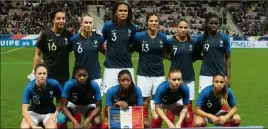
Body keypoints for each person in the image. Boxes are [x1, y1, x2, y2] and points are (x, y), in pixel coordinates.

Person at [164, 19, 202, 125]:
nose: (183, 29)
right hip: (174, 79)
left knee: (188, 106)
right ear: (177, 28)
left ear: (188, 29)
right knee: (171, 105)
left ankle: (187, 126)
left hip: (189, 78)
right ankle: (171, 126)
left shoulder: (193, 42)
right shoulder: (170, 41)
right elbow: (164, 54)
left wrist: (189, 60)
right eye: (181, 27)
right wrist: (174, 59)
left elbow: (197, 55)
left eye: (185, 27)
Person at [133, 12, 169, 126]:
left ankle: (156, 124)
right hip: (143, 73)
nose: (154, 23)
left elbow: (165, 54)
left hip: (159, 74)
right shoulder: (139, 37)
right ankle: (144, 123)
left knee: (158, 100)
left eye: (156, 21)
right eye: (151, 21)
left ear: (159, 23)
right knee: (145, 101)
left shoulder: (163, 37)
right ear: (147, 22)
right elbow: (134, 48)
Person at [31, 8, 73, 87]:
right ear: (53, 20)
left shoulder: (69, 35)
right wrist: (34, 71)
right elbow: (37, 54)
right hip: (47, 75)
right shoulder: (45, 34)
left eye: (63, 18)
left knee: (62, 99)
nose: (61, 21)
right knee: (46, 99)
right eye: (58, 18)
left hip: (63, 77)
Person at [101, 1, 136, 94]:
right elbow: (99, 42)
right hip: (111, 67)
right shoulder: (107, 26)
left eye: (125, 11)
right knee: (110, 95)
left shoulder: (132, 28)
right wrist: (105, 52)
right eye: (120, 10)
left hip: (127, 66)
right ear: (115, 12)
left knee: (129, 94)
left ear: (128, 13)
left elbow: (134, 45)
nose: (123, 13)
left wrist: (127, 52)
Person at [58, 64, 102, 129]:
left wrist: (88, 120)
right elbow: (63, 106)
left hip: (88, 106)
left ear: (88, 75)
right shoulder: (69, 84)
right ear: (75, 76)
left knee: (97, 121)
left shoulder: (94, 85)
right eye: (79, 75)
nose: (82, 78)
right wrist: (75, 122)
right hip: (73, 105)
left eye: (84, 75)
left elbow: (99, 107)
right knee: (61, 119)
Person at [70, 13, 105, 93]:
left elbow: (106, 52)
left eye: (90, 23)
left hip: (95, 75)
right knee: (77, 101)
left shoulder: (99, 38)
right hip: (78, 76)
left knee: (97, 101)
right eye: (86, 22)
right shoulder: (74, 39)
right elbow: (64, 52)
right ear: (81, 24)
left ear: (93, 24)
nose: (88, 25)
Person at [196, 12, 231, 93]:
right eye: (211, 23)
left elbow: (228, 58)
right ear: (207, 24)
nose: (214, 25)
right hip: (205, 74)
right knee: (204, 100)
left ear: (219, 24)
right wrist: (203, 58)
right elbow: (196, 53)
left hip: (221, 73)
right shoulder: (201, 38)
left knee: (221, 101)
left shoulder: (225, 38)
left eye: (216, 23)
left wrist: (228, 77)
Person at [21, 64, 62, 129]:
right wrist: (33, 126)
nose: (42, 76)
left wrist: (56, 112)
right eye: (39, 74)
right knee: (24, 127)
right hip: (33, 113)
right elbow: (24, 109)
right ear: (34, 74)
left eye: (44, 73)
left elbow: (61, 99)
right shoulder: (29, 87)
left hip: (49, 113)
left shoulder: (54, 84)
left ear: (47, 74)